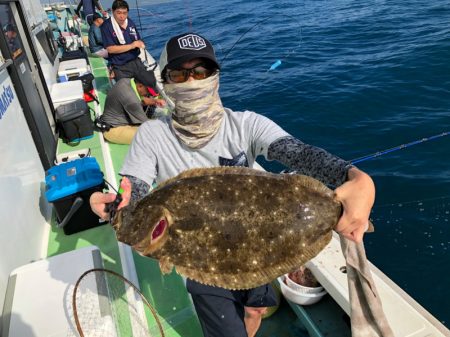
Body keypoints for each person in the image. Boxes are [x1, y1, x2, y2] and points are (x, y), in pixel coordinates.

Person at [90, 33, 375, 337]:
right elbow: (133, 191)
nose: (192, 81)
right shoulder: (151, 135)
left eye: (201, 72)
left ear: (215, 77)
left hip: (259, 241)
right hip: (201, 258)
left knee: (256, 309)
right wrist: (115, 207)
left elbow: (299, 153)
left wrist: (355, 177)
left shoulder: (246, 125)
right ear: (165, 81)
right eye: (179, 73)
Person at [100, 0, 156, 86]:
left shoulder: (130, 22)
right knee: (126, 91)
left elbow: (137, 39)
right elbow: (110, 49)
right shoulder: (106, 26)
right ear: (112, 11)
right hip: (120, 66)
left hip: (135, 61)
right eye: (119, 13)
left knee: (151, 82)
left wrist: (140, 43)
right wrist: (132, 45)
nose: (122, 16)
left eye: (125, 13)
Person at [99, 73, 165, 145]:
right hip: (112, 131)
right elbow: (146, 125)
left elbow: (140, 100)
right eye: (148, 92)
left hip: (109, 121)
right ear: (140, 86)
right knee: (153, 135)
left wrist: (155, 101)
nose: (149, 95)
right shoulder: (132, 100)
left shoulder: (125, 81)